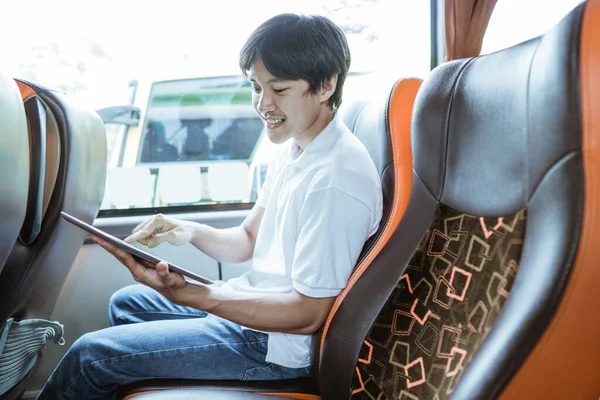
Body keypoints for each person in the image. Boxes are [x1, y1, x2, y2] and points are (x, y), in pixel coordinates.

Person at [37, 13, 383, 400]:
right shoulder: (296, 150)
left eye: (279, 89)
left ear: (325, 85)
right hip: (254, 307)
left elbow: (308, 313)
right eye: (256, 87)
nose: (262, 104)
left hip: (271, 347)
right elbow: (248, 239)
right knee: (128, 302)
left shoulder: (336, 178)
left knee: (89, 357)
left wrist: (196, 296)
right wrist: (188, 231)